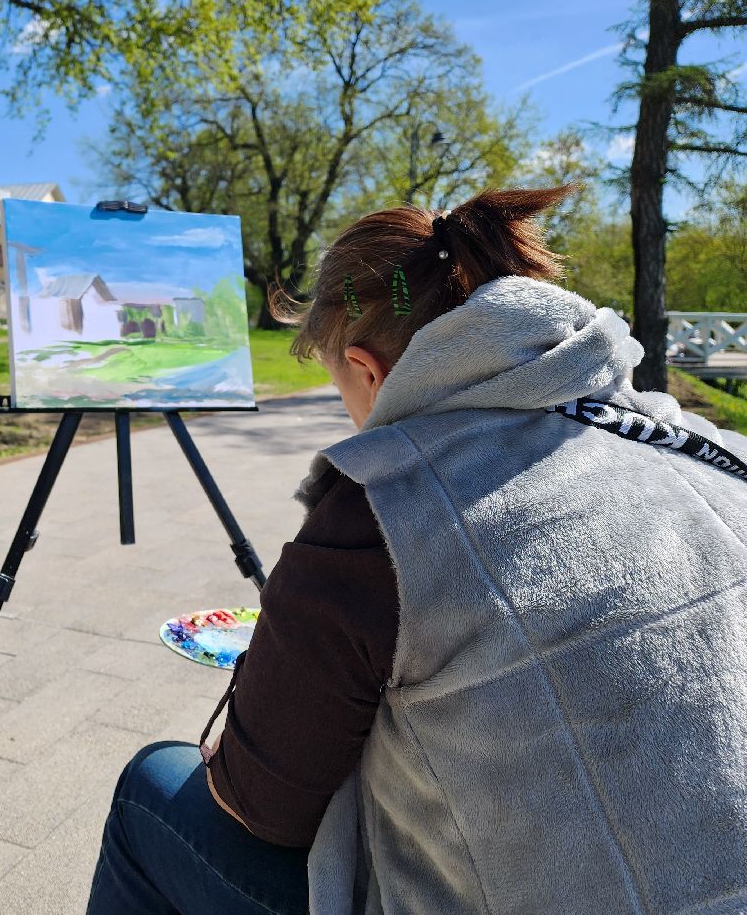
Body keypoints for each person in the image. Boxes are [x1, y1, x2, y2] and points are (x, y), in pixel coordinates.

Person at [87, 186, 747, 915]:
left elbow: (260, 808)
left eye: (340, 387)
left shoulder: (384, 511)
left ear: (367, 371)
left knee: (152, 790)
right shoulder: (708, 447)